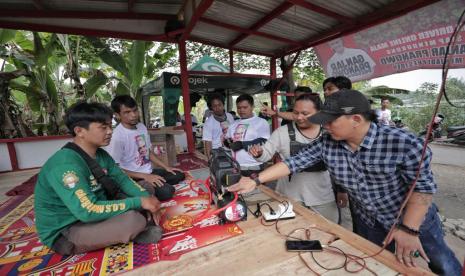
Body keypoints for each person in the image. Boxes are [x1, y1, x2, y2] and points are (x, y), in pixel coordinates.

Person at [228, 89, 462, 275]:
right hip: (369, 220)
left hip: (413, 220)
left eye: (330, 121)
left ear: (356, 119)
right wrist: (255, 180)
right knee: (382, 264)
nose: (326, 127)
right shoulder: (328, 142)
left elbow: (422, 190)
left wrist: (409, 229)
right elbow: (294, 162)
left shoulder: (404, 143)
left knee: (441, 263)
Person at [34, 102, 163, 255]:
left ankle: (134, 222)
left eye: (110, 126)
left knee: (146, 189)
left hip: (97, 208)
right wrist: (139, 202)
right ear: (80, 131)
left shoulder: (101, 154)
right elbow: (87, 211)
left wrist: (146, 198)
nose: (109, 132)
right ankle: (135, 226)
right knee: (133, 221)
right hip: (69, 228)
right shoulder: (65, 166)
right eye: (103, 127)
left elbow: (122, 180)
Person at [249, 94, 338, 222]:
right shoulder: (282, 132)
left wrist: (341, 192)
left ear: (319, 113)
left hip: (322, 195)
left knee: (330, 230)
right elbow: (266, 154)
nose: (299, 117)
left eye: (305, 113)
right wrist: (259, 153)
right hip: (289, 194)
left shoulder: (329, 132)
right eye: (295, 113)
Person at [106, 95, 185, 201]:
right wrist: (144, 177)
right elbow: (115, 169)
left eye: (135, 110)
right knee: (167, 192)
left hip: (149, 171)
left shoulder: (141, 127)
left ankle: (156, 183)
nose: (133, 115)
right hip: (133, 178)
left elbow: (147, 152)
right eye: (127, 112)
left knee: (178, 174)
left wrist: (166, 167)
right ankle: (149, 187)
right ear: (117, 115)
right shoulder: (117, 136)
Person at [226, 94, 270, 176]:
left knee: (257, 189)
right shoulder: (233, 124)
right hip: (236, 166)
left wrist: (243, 144)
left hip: (254, 167)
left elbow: (265, 141)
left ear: (252, 107)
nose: (241, 110)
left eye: (245, 107)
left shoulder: (261, 122)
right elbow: (229, 142)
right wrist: (227, 142)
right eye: (239, 108)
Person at [202, 93, 235, 158]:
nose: (217, 108)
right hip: (217, 153)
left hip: (231, 150)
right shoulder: (208, 123)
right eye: (214, 106)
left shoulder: (230, 116)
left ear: (223, 105)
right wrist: (209, 159)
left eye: (219, 105)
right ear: (211, 107)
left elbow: (234, 132)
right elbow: (208, 142)